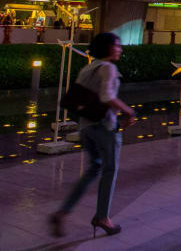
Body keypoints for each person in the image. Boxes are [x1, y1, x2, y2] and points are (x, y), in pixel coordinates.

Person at [49, 33, 135, 238]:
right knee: (110, 170)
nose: (120, 49)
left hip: (86, 127)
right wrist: (129, 111)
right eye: (117, 45)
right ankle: (102, 217)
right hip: (105, 127)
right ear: (107, 47)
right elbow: (107, 97)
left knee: (94, 168)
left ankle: (63, 212)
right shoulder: (108, 68)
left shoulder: (88, 68)